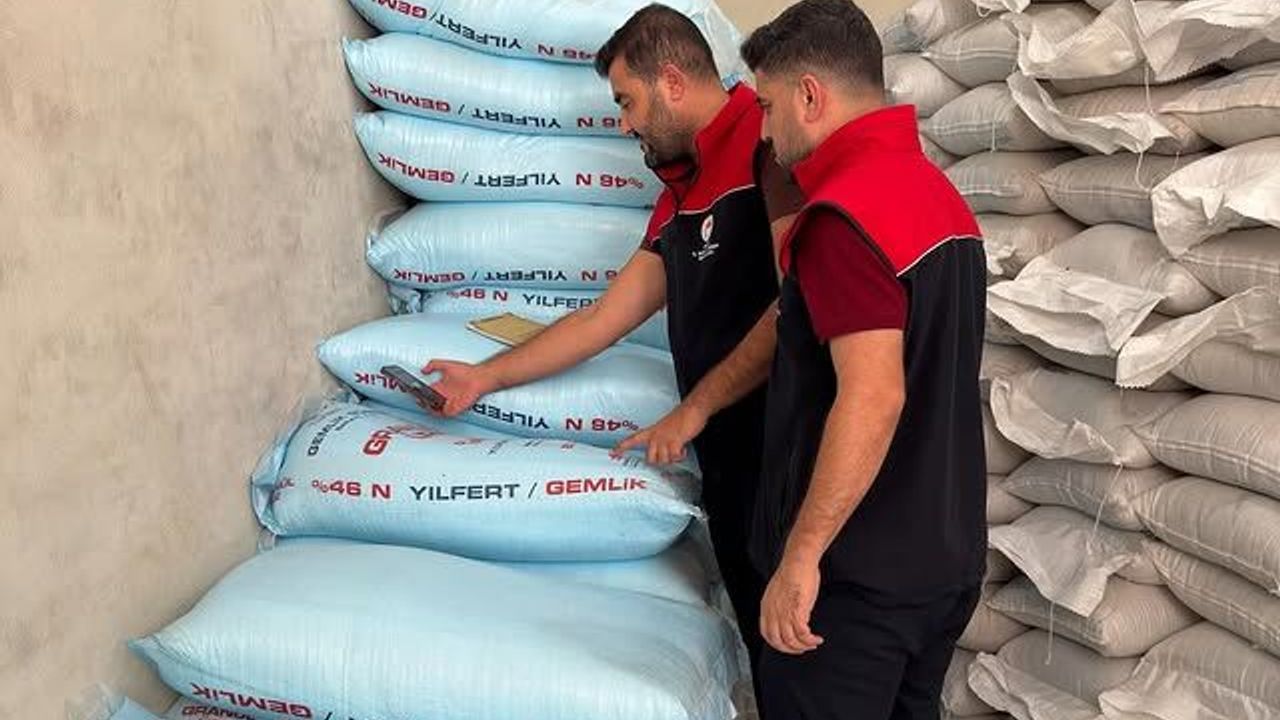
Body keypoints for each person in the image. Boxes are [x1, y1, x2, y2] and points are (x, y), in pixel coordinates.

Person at [420, 4, 802, 675]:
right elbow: (603, 318)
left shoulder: (766, 145)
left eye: (627, 101)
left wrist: (696, 408)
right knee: (770, 658)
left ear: (672, 82)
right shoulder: (681, 193)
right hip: (731, 467)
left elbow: (800, 302)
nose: (624, 123)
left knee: (810, 665)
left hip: (790, 458)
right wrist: (485, 377)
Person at [739, 2, 988, 718]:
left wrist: (800, 556)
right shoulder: (941, 198)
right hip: (942, 563)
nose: (765, 131)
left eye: (767, 107)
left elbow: (873, 396)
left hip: (855, 585)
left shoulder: (844, 217)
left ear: (810, 95)